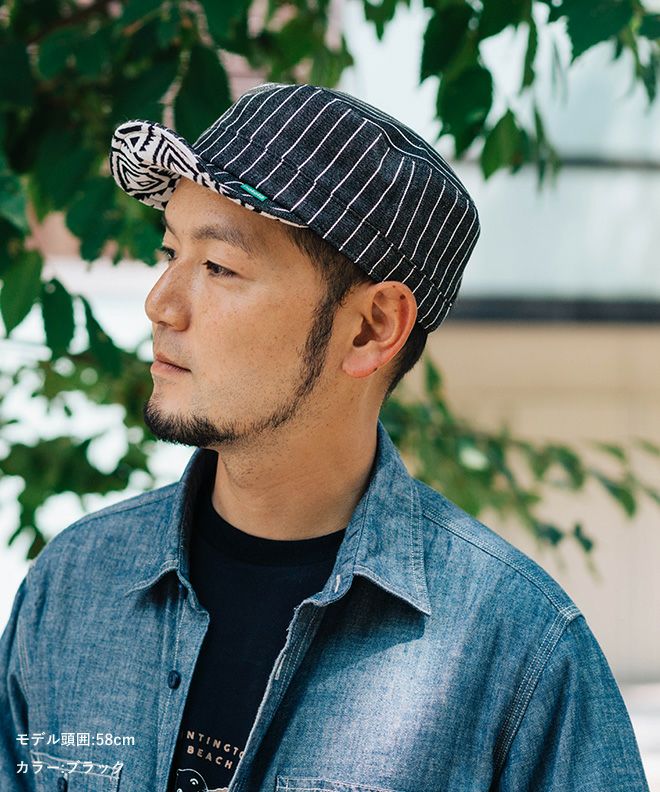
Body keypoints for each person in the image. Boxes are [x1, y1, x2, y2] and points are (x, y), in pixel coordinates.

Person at [0, 82, 649, 792]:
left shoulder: (517, 649)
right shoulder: (73, 585)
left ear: (372, 328)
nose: (161, 304)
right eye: (170, 252)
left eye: (218, 267)